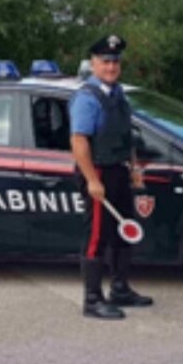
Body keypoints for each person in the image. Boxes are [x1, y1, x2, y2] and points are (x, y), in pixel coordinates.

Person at [69, 34, 153, 320]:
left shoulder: (117, 94)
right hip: (98, 171)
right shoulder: (87, 98)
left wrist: (135, 169)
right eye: (105, 61)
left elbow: (124, 136)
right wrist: (92, 180)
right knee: (96, 236)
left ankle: (120, 289)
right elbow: (79, 142)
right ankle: (92, 300)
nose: (111, 67)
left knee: (123, 231)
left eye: (115, 61)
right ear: (93, 64)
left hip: (118, 169)